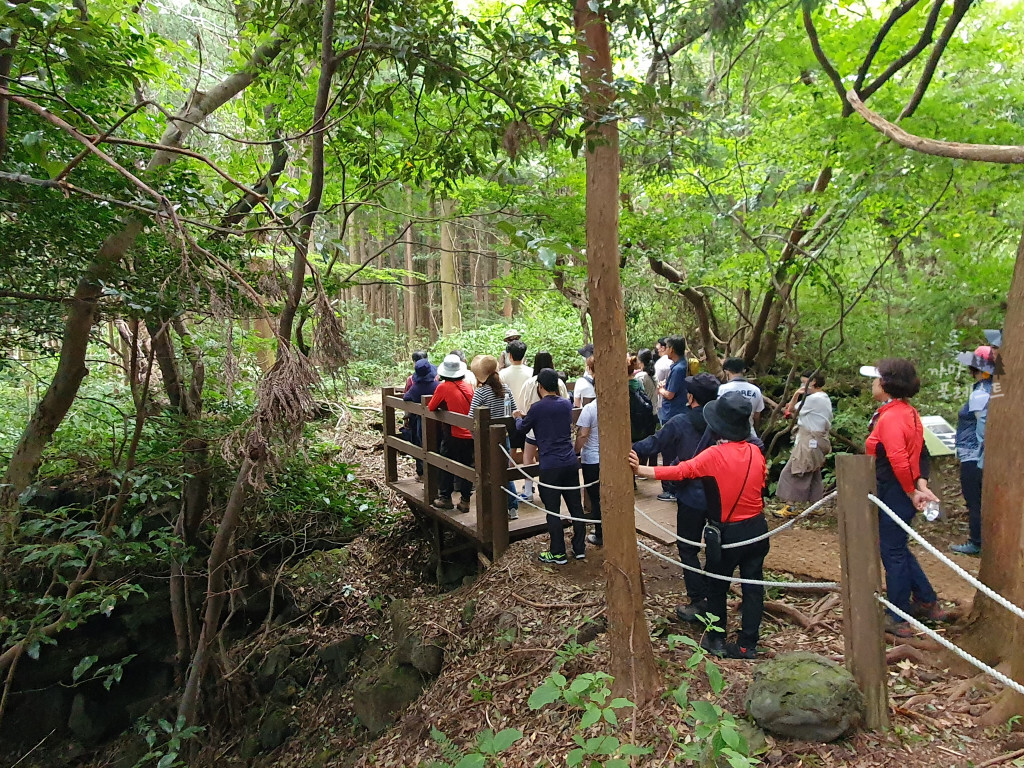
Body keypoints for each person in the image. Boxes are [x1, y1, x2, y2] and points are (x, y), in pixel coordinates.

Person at [630, 392, 769, 659]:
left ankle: (716, 638)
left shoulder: (714, 455)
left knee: (716, 585)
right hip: (758, 529)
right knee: (753, 586)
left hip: (729, 533)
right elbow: (761, 484)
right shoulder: (756, 451)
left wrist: (641, 471)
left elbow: (682, 471)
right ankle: (747, 643)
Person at [860, 359, 951, 637]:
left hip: (893, 490)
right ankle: (926, 600)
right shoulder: (907, 412)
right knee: (896, 546)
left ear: (886, 384)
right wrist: (919, 484)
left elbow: (900, 458)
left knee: (892, 550)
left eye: (876, 379)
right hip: (900, 488)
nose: (872, 383)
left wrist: (913, 490)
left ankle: (897, 615)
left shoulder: (891, 417)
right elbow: (920, 451)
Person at [633, 373, 721, 622]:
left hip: (691, 496)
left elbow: (654, 444)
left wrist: (628, 449)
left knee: (688, 547)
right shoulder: (725, 422)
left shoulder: (680, 421)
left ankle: (698, 599)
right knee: (717, 546)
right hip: (720, 495)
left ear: (691, 397)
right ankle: (715, 596)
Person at [514, 368, 586, 564]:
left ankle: (558, 552)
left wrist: (517, 417)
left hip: (550, 464)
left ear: (540, 387)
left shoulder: (537, 408)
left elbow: (522, 428)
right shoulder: (565, 404)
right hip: (570, 461)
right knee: (575, 507)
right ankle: (579, 548)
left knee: (553, 510)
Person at [950, 345, 995, 555]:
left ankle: (977, 541)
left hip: (974, 455)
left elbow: (982, 427)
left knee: (974, 499)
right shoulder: (995, 388)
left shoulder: (981, 393)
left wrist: (981, 454)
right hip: (982, 455)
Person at [469, 355, 521, 520]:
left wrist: (474, 436)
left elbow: (471, 418)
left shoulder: (481, 393)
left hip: (486, 439)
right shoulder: (505, 389)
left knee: (490, 472)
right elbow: (514, 411)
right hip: (503, 436)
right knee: (502, 470)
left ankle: (499, 507)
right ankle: (510, 507)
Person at [775, 371, 833, 511]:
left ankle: (791, 507)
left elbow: (791, 408)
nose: (802, 385)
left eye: (803, 382)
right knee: (813, 472)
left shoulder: (815, 399)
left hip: (809, 441)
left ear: (812, 382)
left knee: (793, 472)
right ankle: (816, 506)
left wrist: (796, 394)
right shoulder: (822, 398)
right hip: (816, 441)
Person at [516, 351, 569, 500]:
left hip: (533, 429)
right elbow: (565, 400)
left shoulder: (530, 382)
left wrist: (522, 417)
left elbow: (523, 405)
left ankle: (528, 490)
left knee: (528, 457)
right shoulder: (559, 383)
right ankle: (559, 488)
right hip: (555, 429)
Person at [428, 354, 476, 513]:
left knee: (446, 464)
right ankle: (465, 501)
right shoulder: (468, 386)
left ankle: (445, 498)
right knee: (466, 466)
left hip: (453, 433)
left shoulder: (443, 387)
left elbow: (431, 406)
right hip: (470, 434)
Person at [655, 336, 689, 501]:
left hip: (673, 414)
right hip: (675, 412)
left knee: (669, 451)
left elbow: (670, 394)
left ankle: (671, 489)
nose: (664, 350)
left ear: (672, 349)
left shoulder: (678, 369)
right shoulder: (680, 365)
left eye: (666, 347)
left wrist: (661, 389)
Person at [574, 377, 602, 546]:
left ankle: (600, 533)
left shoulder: (590, 409)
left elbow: (583, 434)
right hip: (609, 458)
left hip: (592, 459)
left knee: (596, 497)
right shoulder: (615, 407)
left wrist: (575, 450)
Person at [403, 357, 438, 478]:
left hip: (420, 422)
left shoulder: (415, 388)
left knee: (422, 444)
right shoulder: (437, 386)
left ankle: (425, 475)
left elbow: (406, 397)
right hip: (437, 421)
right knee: (436, 447)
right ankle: (436, 476)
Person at [717, 358, 765, 435]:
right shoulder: (756, 390)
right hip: (750, 433)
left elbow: (718, 414)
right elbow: (756, 417)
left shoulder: (722, 389)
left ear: (726, 372)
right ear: (744, 371)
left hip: (728, 434)